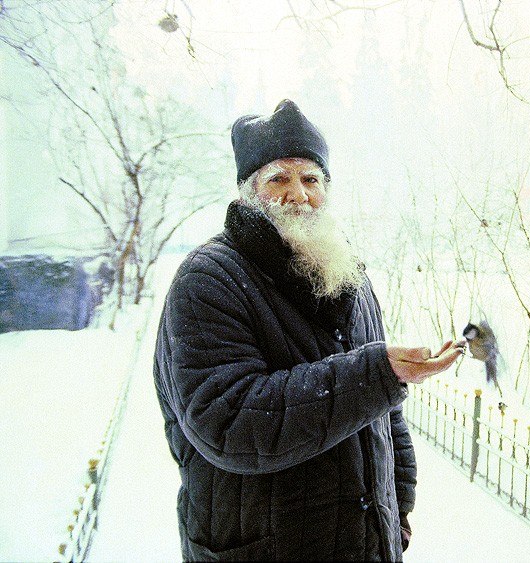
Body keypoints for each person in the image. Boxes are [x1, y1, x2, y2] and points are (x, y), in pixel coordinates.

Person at [153, 99, 463, 561]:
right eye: (278, 178)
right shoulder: (209, 279)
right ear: (246, 193)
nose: (297, 193)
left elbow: (383, 416)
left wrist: (396, 508)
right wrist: (374, 373)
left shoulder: (345, 272)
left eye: (310, 179)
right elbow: (228, 420)